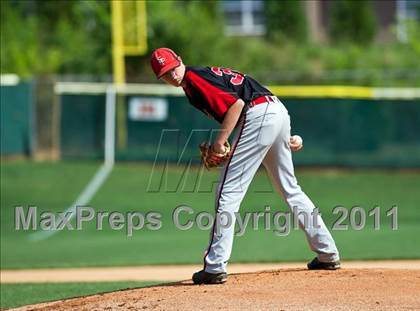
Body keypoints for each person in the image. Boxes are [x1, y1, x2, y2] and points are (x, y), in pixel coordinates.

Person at [150, 47, 340, 285]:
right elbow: (243, 103)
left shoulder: (194, 78)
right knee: (290, 188)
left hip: (258, 113)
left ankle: (214, 266)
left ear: (180, 60)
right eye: (165, 74)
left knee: (227, 191)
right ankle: (327, 253)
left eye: (173, 68)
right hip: (276, 110)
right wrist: (281, 136)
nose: (173, 76)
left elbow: (237, 105)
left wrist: (220, 142)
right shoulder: (198, 78)